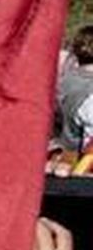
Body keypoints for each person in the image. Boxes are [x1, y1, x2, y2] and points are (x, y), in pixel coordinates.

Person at [53, 25, 93, 155]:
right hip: (78, 163)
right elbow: (90, 144)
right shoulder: (90, 93)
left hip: (61, 149)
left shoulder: (63, 80)